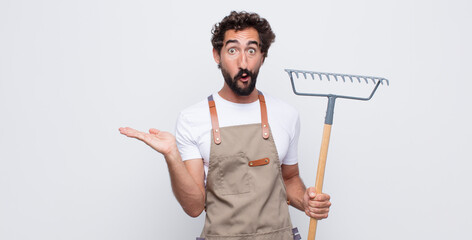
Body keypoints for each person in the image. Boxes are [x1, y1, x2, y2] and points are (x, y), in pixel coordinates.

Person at [119, 11, 331, 240]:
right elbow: (193, 207)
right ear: (217, 55)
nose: (243, 62)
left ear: (262, 56)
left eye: (251, 50)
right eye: (232, 50)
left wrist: (306, 201)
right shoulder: (193, 119)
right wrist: (172, 156)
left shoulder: (286, 115)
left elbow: (289, 179)